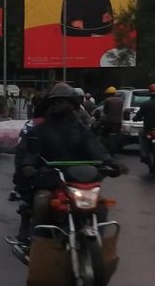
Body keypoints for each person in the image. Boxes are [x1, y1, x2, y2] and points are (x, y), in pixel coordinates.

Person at [13, 83, 116, 247]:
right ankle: (38, 240)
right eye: (55, 102)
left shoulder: (80, 128)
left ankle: (98, 244)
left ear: (72, 104)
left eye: (62, 101)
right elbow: (30, 152)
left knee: (100, 205)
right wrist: (28, 166)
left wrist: (110, 162)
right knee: (41, 201)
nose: (58, 105)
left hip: (77, 180)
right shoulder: (39, 129)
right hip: (50, 178)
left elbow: (94, 146)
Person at [100, 86, 125, 154]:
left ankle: (105, 147)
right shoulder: (121, 100)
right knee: (118, 133)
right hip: (118, 122)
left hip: (109, 122)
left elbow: (105, 111)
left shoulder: (107, 100)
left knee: (104, 134)